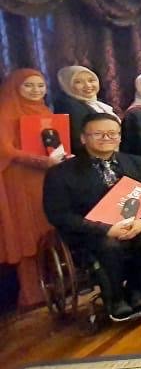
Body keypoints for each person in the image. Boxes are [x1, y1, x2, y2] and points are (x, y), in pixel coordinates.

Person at [42, 113, 141, 318]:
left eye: (112, 134)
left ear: (120, 137)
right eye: (98, 134)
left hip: (133, 223)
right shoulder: (60, 173)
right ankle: (115, 298)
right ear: (83, 138)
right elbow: (58, 214)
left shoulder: (137, 162)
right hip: (88, 231)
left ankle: (137, 290)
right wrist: (106, 229)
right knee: (109, 245)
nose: (106, 138)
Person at [0, 69, 64, 308]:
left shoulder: (44, 111)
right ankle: (32, 293)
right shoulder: (6, 111)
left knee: (47, 228)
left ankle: (57, 284)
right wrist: (40, 161)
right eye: (28, 85)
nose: (36, 90)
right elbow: (5, 150)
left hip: (45, 178)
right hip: (20, 181)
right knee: (28, 233)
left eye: (40, 85)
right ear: (15, 88)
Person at [53, 66, 118, 153]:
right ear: (67, 85)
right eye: (78, 82)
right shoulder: (70, 107)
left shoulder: (96, 103)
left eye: (91, 80)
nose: (88, 85)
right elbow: (80, 142)